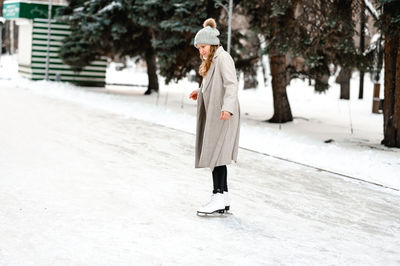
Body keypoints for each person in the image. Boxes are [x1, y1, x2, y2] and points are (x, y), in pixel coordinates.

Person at [189, 18, 240, 215]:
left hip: (223, 114)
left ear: (212, 44)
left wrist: (227, 108)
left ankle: (217, 196)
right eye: (199, 48)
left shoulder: (223, 58)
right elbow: (213, 84)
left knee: (217, 156)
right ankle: (223, 197)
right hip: (217, 113)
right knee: (217, 156)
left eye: (203, 47)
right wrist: (199, 91)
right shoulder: (212, 60)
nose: (201, 51)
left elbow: (231, 84)